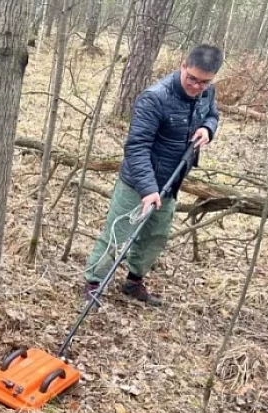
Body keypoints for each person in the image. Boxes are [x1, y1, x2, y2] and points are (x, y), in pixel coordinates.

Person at [82, 44, 223, 307]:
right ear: (183, 65)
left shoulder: (207, 92)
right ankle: (93, 283)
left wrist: (208, 128)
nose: (196, 86)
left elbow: (213, 115)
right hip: (138, 182)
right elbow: (137, 147)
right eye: (191, 78)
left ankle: (134, 283)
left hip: (172, 180)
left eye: (204, 82)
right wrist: (148, 189)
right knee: (118, 234)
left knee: (154, 237)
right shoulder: (155, 97)